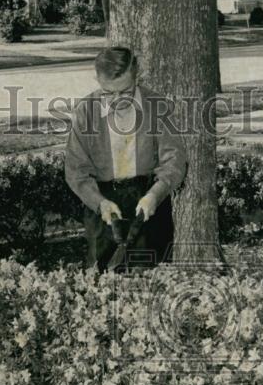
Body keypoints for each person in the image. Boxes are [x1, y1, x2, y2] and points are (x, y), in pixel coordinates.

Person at [64, 46, 188, 271]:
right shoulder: (85, 111)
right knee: (101, 278)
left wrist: (155, 195)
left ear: (136, 76)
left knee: (152, 278)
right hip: (102, 202)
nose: (117, 101)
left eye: (126, 92)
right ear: (97, 79)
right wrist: (98, 202)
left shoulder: (157, 106)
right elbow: (76, 169)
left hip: (148, 200)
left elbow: (174, 159)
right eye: (109, 93)